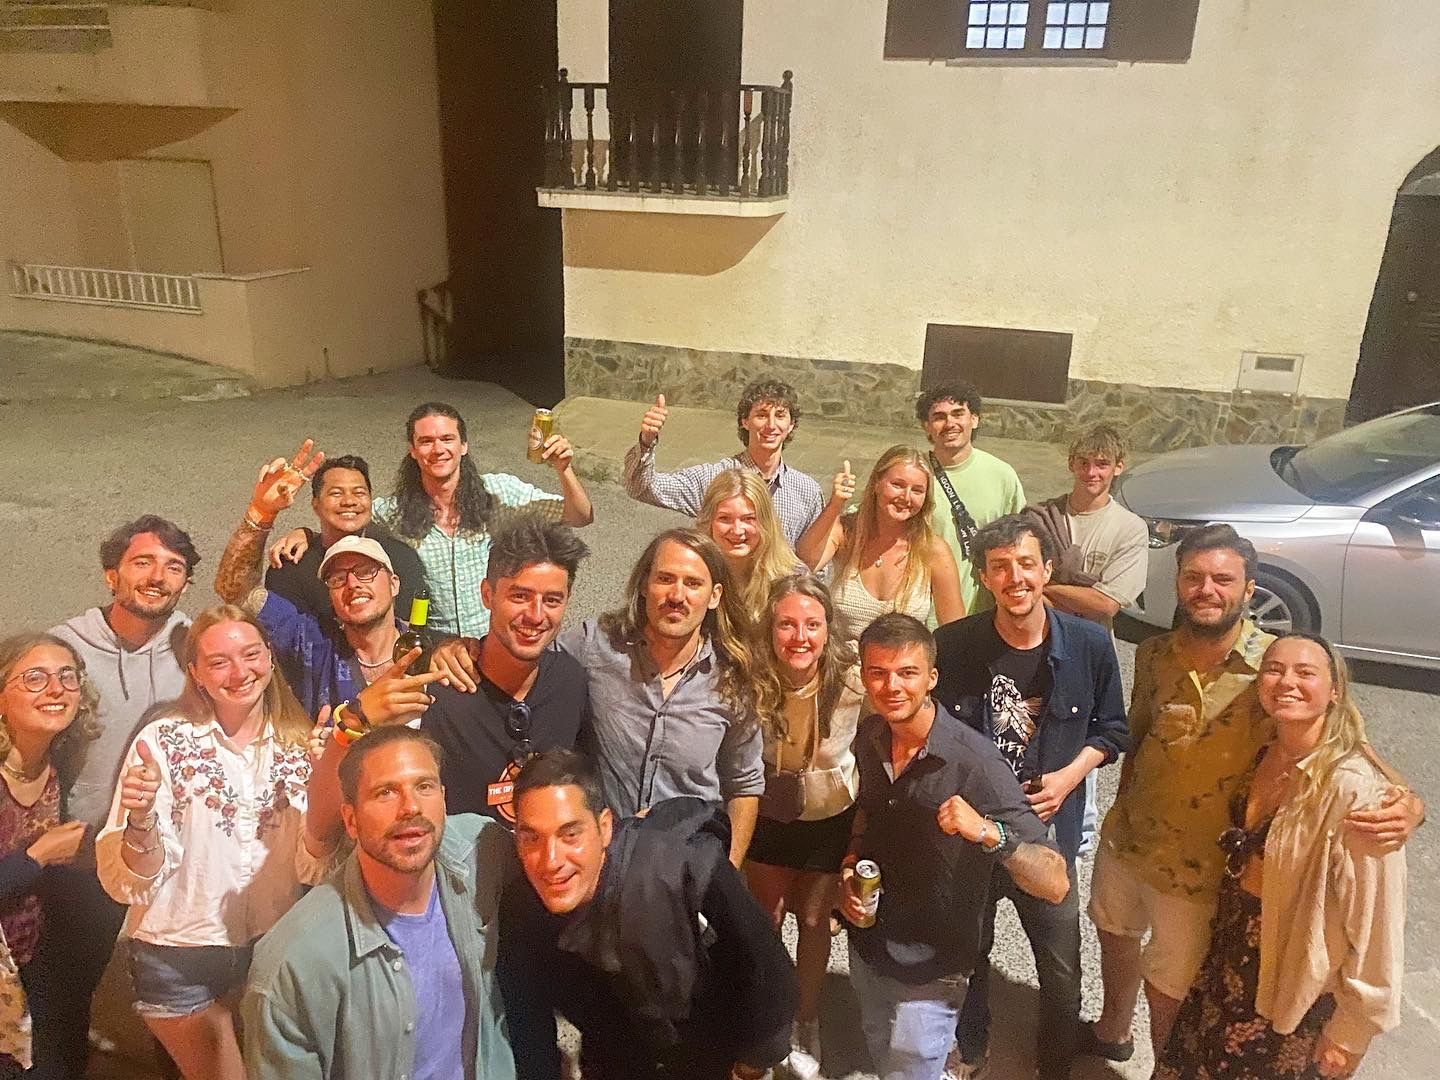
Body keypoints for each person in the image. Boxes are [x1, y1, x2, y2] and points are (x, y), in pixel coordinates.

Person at [1085, 525, 1425, 1063]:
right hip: (1128, 841)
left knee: (1171, 987)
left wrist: (1409, 801)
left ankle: (1169, 1068)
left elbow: (1349, 740)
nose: (1207, 589)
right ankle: (1111, 1031)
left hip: (1199, 869)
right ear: (1177, 583)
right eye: (1193, 577)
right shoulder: (1153, 654)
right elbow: (1141, 733)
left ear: (1247, 590)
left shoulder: (1276, 667)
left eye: (1223, 579)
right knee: (1114, 933)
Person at [931, 515, 1130, 1080]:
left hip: (1050, 837)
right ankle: (970, 1048)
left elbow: (1112, 731)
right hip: (974, 831)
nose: (1014, 578)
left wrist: (1070, 778)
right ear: (985, 577)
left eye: (1025, 564)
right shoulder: (957, 645)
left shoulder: (1089, 644)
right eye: (1000, 568)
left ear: (1046, 571)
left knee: (1062, 964)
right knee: (969, 949)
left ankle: (1056, 1062)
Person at [1156, 634, 1406, 1080]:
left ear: (1335, 691)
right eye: (1274, 669)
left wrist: (1350, 1032)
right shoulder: (1266, 748)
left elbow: (1377, 925)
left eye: (1306, 672)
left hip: (1292, 984)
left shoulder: (1355, 793)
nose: (1286, 681)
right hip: (1229, 958)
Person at [840, 613, 1068, 1080]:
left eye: (907, 673)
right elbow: (865, 814)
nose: (892, 687)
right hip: (869, 947)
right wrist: (849, 863)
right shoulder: (870, 737)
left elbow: (1055, 882)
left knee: (910, 1071)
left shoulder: (975, 762)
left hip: (935, 964)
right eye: (878, 673)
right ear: (863, 677)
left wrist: (988, 832)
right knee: (882, 1052)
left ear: (932, 679)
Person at [96, 606, 319, 1080]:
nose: (239, 672)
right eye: (218, 662)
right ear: (195, 673)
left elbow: (313, 862)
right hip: (178, 955)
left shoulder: (300, 745)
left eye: (250, 654)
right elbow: (133, 879)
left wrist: (329, 780)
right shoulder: (165, 740)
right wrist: (139, 820)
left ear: (270, 658)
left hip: (268, 946)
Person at [498, 748, 797, 1080]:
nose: (550, 860)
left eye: (570, 834)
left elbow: (768, 968)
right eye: (531, 838)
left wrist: (750, 1067)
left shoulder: (683, 867)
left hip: (710, 1052)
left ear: (605, 828)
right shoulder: (522, 911)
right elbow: (527, 1018)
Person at [243, 725, 519, 1080]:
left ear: (444, 800)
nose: (411, 807)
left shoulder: (482, 848)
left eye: (424, 786)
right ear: (351, 820)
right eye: (385, 792)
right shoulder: (293, 964)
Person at [46, 515, 199, 1080]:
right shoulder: (64, 648)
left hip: (170, 860)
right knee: (63, 996)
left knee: (174, 1004)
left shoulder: (193, 644)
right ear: (112, 575)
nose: (158, 577)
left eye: (173, 567)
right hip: (83, 856)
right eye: (143, 562)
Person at [554, 529, 764, 867]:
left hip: (686, 865)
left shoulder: (733, 678)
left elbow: (745, 784)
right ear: (643, 584)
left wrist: (726, 871)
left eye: (693, 584)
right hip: (603, 861)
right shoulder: (596, 645)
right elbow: (527, 658)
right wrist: (461, 649)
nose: (677, 595)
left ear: (714, 595)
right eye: (665, 578)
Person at [214, 439, 438, 721]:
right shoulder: (313, 642)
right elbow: (234, 590)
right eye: (339, 577)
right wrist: (261, 512)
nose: (354, 584)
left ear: (395, 583)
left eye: (367, 572)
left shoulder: (434, 659)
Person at [745, 575, 865, 1079]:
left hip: (828, 815)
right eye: (787, 624)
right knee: (766, 920)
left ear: (827, 629)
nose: (800, 637)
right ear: (770, 629)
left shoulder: (853, 677)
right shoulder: (749, 675)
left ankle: (806, 1017)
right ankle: (768, 1017)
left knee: (815, 924)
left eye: (812, 625)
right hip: (770, 813)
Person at [409, 519, 591, 824]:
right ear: (487, 594)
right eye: (519, 596)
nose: (535, 615)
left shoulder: (570, 682)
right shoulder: (443, 696)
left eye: (552, 600)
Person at [1022, 422, 1148, 857]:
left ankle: (1078, 838)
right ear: (1071, 463)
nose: (1091, 472)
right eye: (1084, 462)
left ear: (1118, 467)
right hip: (1035, 642)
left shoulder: (1127, 528)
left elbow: (1108, 604)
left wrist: (1045, 586)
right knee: (1028, 727)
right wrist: (1071, 590)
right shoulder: (1040, 517)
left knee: (1084, 737)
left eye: (1102, 464)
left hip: (1088, 651)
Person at [373, 401, 594, 638]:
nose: (438, 449)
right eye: (426, 441)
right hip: (436, 647)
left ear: (464, 445)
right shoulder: (394, 512)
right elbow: (347, 516)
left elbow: (579, 516)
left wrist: (564, 469)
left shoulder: (499, 492)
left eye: (447, 439)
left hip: (494, 641)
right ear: (413, 451)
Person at [0, 634, 99, 1078]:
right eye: (34, 678)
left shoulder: (56, 763)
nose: (56, 690)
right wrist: (38, 856)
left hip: (27, 964)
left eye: (67, 677)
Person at [623, 379, 826, 547]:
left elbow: (813, 563)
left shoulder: (807, 491)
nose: (771, 425)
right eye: (761, 415)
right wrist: (647, 441)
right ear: (745, 422)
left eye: (780, 416)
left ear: (790, 425)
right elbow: (641, 488)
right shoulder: (714, 478)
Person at [797, 446, 964, 641]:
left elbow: (956, 633)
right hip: (842, 664)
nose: (906, 497)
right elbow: (805, 562)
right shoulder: (846, 533)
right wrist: (835, 504)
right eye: (897, 485)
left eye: (917, 490)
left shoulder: (933, 550)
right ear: (877, 483)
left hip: (899, 667)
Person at [262, 454, 428, 628]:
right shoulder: (289, 567)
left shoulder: (401, 558)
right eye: (336, 493)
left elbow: (416, 628)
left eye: (359, 493)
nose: (349, 501)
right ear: (315, 504)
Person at [915, 383, 1025, 614]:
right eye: (939, 417)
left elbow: (1020, 541)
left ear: (974, 419)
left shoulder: (1002, 475)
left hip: (983, 615)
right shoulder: (912, 473)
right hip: (919, 613)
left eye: (958, 414)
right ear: (926, 426)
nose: (950, 424)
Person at [695, 468, 803, 617]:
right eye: (724, 518)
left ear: (766, 523)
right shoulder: (691, 574)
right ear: (709, 521)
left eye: (748, 519)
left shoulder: (793, 579)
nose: (737, 530)